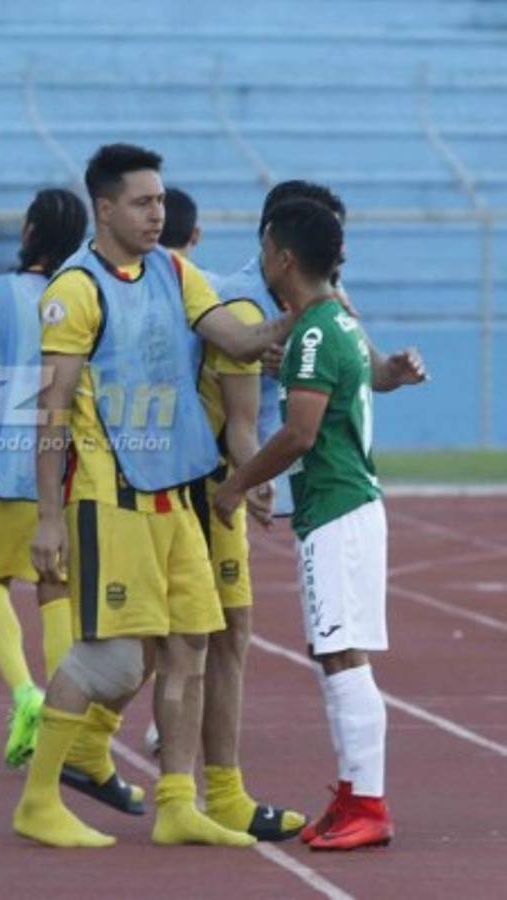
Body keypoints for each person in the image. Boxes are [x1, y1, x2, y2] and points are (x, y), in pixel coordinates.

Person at [12, 143, 298, 849]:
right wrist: (48, 519)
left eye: (161, 201)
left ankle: (178, 804)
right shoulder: (75, 291)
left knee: (191, 649)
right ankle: (39, 799)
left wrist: (304, 307)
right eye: (142, 202)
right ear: (103, 208)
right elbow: (52, 411)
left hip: (180, 500)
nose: (156, 213)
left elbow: (238, 335)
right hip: (110, 503)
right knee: (112, 662)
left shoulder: (176, 270)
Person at [213, 198, 426, 851]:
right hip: (346, 506)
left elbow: (299, 432)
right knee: (336, 650)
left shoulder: (315, 331)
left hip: (336, 508)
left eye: (267, 252)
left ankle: (367, 800)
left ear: (282, 258)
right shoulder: (331, 324)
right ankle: (355, 791)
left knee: (341, 653)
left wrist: (236, 485)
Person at [153, 189, 308, 841]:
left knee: (219, 636)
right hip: (202, 485)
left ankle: (217, 793)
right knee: (180, 642)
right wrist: (252, 481)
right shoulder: (245, 309)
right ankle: (92, 763)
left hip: (219, 483)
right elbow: (238, 423)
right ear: (279, 253)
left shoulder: (278, 304)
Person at [0, 189, 93, 775]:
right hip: (67, 466)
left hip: (6, 462)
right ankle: (67, 716)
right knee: (54, 586)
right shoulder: (87, 293)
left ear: (30, 231)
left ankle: (25, 693)